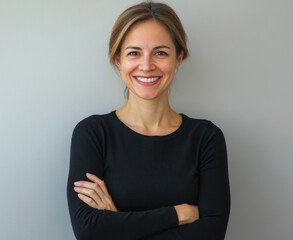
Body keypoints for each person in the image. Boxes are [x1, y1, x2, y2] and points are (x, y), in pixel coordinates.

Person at [66, 1, 230, 240]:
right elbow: (89, 231)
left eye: (160, 52)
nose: (146, 65)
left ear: (179, 58)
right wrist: (177, 214)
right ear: (118, 60)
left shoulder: (206, 138)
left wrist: (117, 222)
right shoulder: (92, 134)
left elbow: (211, 234)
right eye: (134, 53)